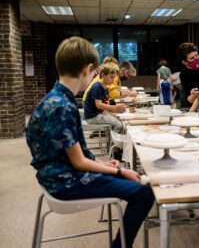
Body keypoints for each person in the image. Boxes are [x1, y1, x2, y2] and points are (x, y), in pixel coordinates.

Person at [26, 36, 154, 248]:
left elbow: (73, 154)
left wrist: (103, 165)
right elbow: (78, 163)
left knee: (136, 180)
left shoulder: (54, 99)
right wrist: (120, 171)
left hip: (56, 176)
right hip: (65, 183)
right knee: (144, 191)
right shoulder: (62, 106)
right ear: (88, 69)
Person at [84, 62, 126, 133]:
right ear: (103, 75)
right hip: (92, 117)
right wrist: (115, 107)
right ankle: (116, 143)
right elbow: (99, 105)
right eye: (111, 77)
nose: (113, 80)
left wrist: (118, 110)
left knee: (120, 121)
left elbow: (107, 107)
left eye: (114, 78)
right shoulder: (97, 87)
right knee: (119, 125)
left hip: (98, 115)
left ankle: (112, 142)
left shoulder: (106, 89)